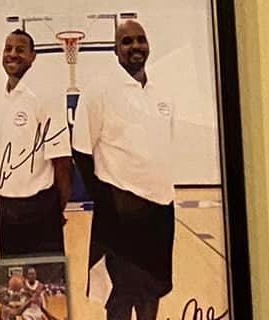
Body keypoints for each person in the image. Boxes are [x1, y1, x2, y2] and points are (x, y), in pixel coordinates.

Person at [70, 19, 175, 320]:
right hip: (119, 217)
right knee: (119, 298)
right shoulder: (98, 91)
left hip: (161, 213)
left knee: (152, 291)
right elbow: (80, 151)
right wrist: (108, 202)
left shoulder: (162, 93)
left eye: (140, 39)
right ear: (115, 50)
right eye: (127, 41)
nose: (135, 46)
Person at [0, 28, 71, 261]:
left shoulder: (44, 97)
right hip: (6, 207)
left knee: (48, 281)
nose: (12, 54)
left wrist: (55, 210)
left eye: (20, 50)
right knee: (12, 279)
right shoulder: (2, 98)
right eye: (8, 49)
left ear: (33, 56)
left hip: (40, 207)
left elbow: (63, 162)